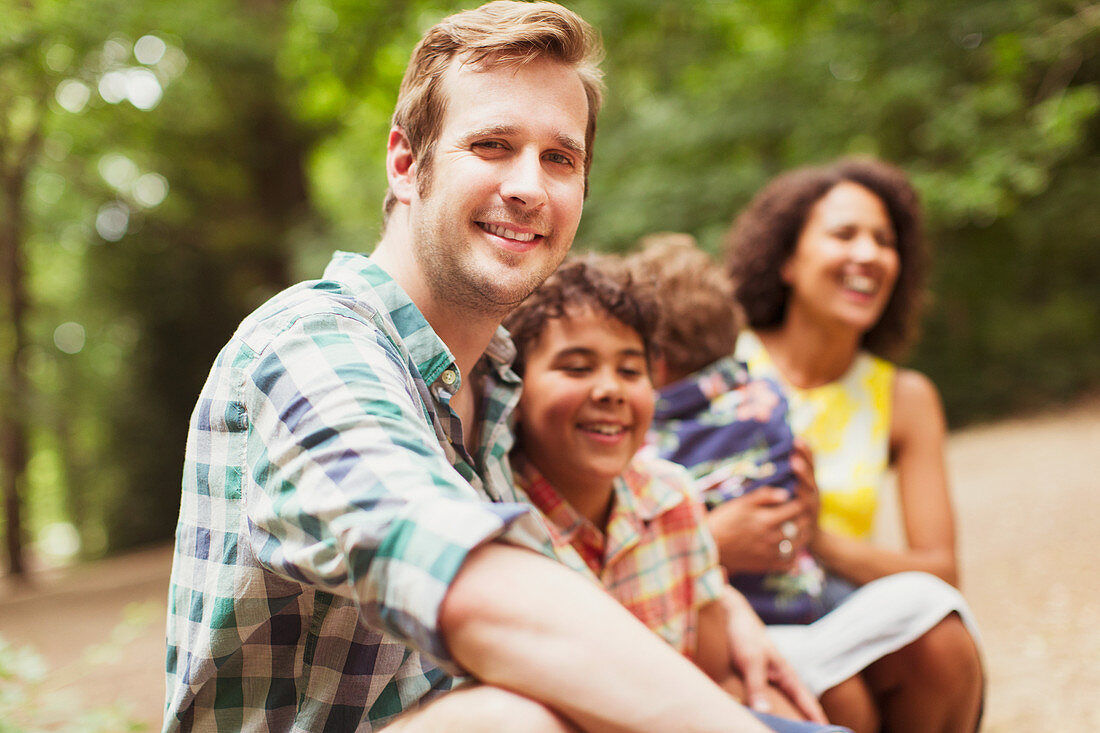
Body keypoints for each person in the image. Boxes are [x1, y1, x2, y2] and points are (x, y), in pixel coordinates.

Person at [163, 3, 800, 731]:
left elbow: (602, 551)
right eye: (493, 144)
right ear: (406, 164)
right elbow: (459, 573)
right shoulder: (311, 344)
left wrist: (729, 608)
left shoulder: (495, 382)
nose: (529, 186)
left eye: (560, 157)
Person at [502, 257, 850, 733]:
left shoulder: (671, 496)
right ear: (513, 391)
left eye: (630, 370)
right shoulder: (504, 527)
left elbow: (714, 673)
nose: (610, 389)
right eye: (577, 367)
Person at [720, 158, 984, 733]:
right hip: (727, 604)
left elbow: (939, 573)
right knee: (842, 699)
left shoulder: (905, 396)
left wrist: (818, 540)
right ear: (787, 259)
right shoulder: (716, 360)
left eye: (884, 241)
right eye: (844, 234)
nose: (868, 254)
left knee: (942, 641)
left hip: (844, 607)